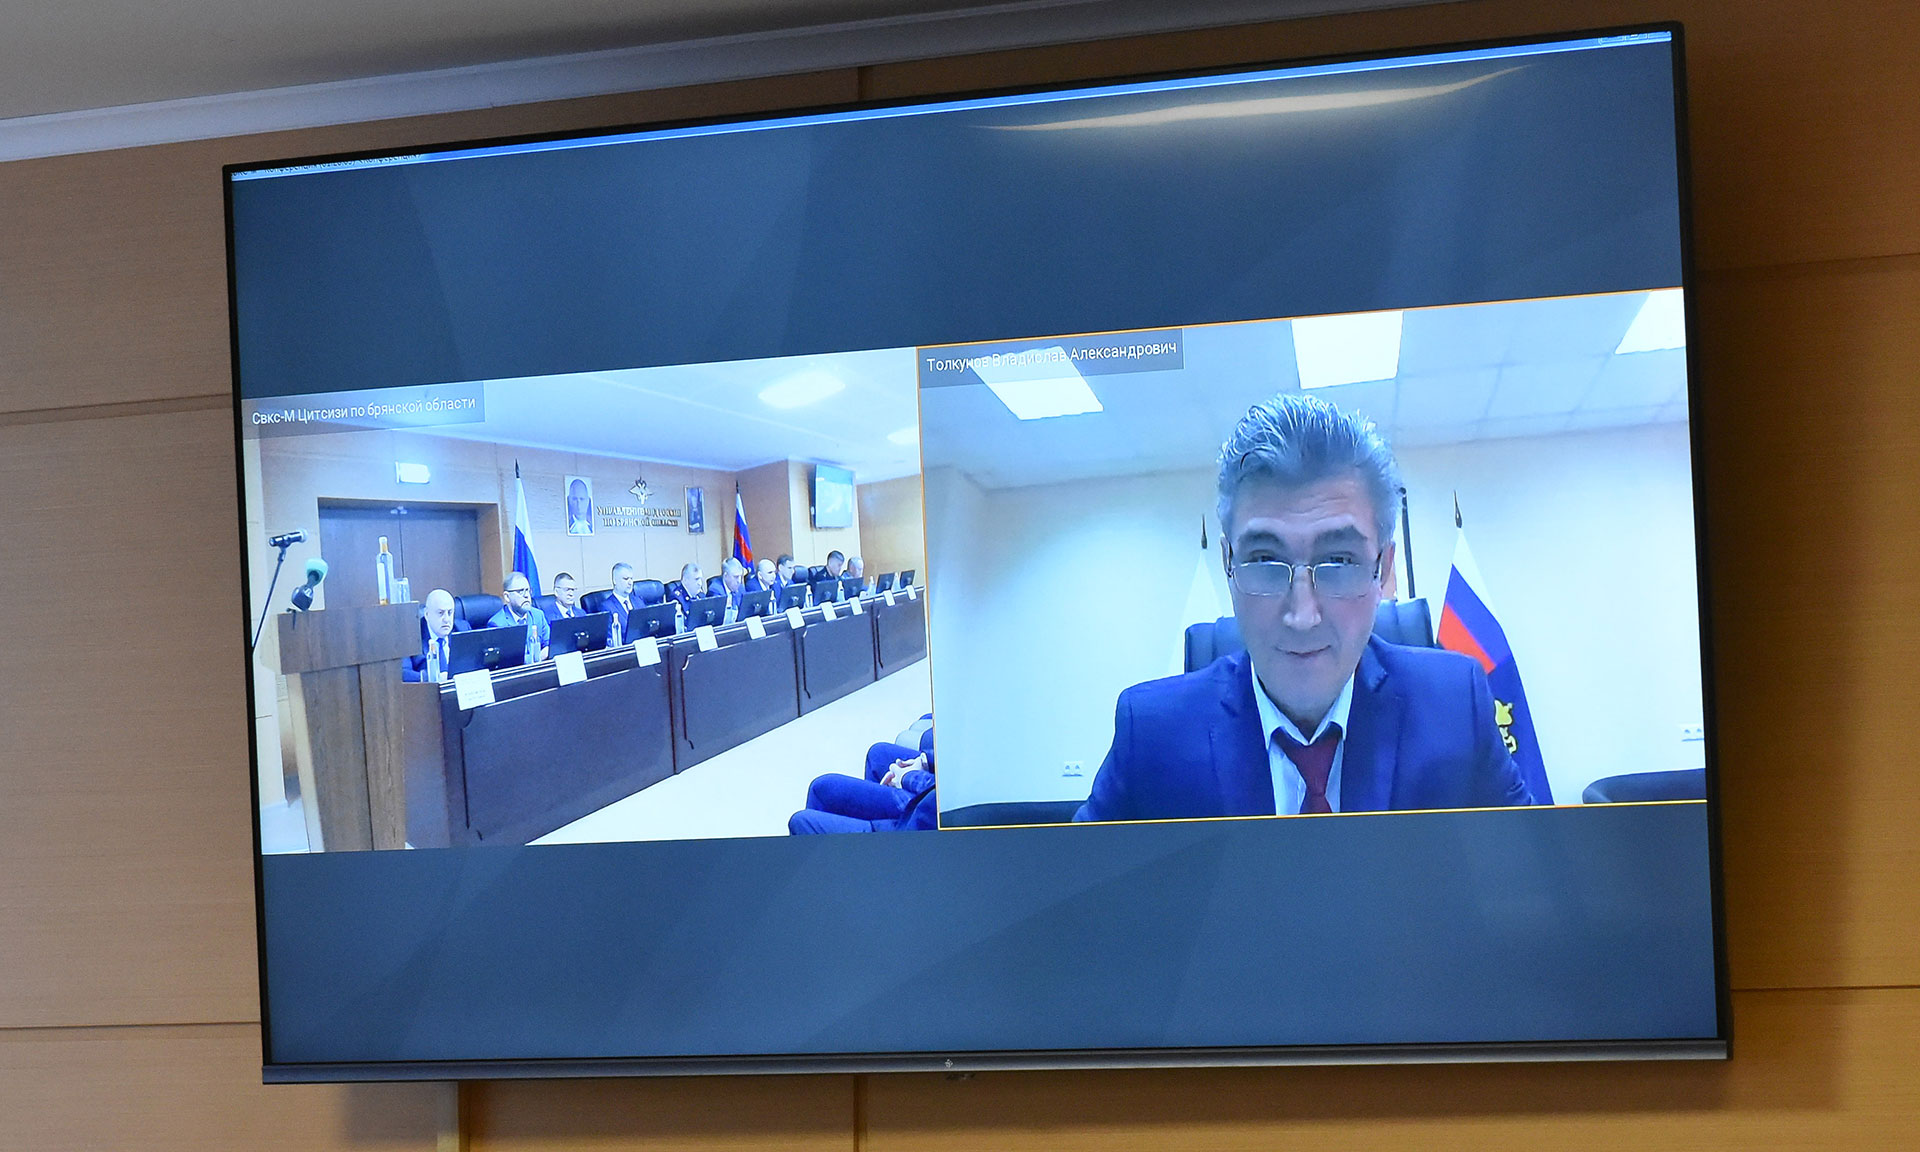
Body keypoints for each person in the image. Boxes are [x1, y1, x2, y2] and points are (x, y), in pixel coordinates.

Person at [1075, 393, 1534, 822]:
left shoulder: (1456, 706)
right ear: (1228, 564)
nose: (1302, 616)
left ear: (1383, 569)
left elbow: (1530, 867)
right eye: (1264, 561)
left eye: (1339, 561)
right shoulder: (1151, 734)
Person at [790, 725, 937, 833]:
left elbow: (945, 795)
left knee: (802, 822)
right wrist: (925, 761)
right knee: (823, 787)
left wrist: (907, 777)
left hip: (921, 831)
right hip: (927, 805)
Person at [403, 588, 466, 683]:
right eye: (440, 613)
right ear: (427, 614)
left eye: (450, 612)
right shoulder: (411, 636)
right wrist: (433, 677)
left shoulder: (462, 628)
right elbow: (403, 673)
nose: (446, 619)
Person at [487, 571, 550, 664]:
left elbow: (550, 644)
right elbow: (504, 660)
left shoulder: (538, 615)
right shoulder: (497, 624)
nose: (526, 595)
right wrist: (535, 659)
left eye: (528, 590)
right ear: (507, 597)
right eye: (520, 591)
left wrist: (541, 656)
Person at [605, 562, 637, 644]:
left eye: (631, 579)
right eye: (626, 579)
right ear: (615, 581)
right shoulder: (606, 607)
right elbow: (610, 640)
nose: (630, 583)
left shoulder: (638, 601)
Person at [718, 557, 748, 623]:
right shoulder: (716, 590)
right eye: (736, 577)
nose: (739, 581)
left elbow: (744, 612)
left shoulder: (741, 588)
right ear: (725, 576)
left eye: (741, 576)